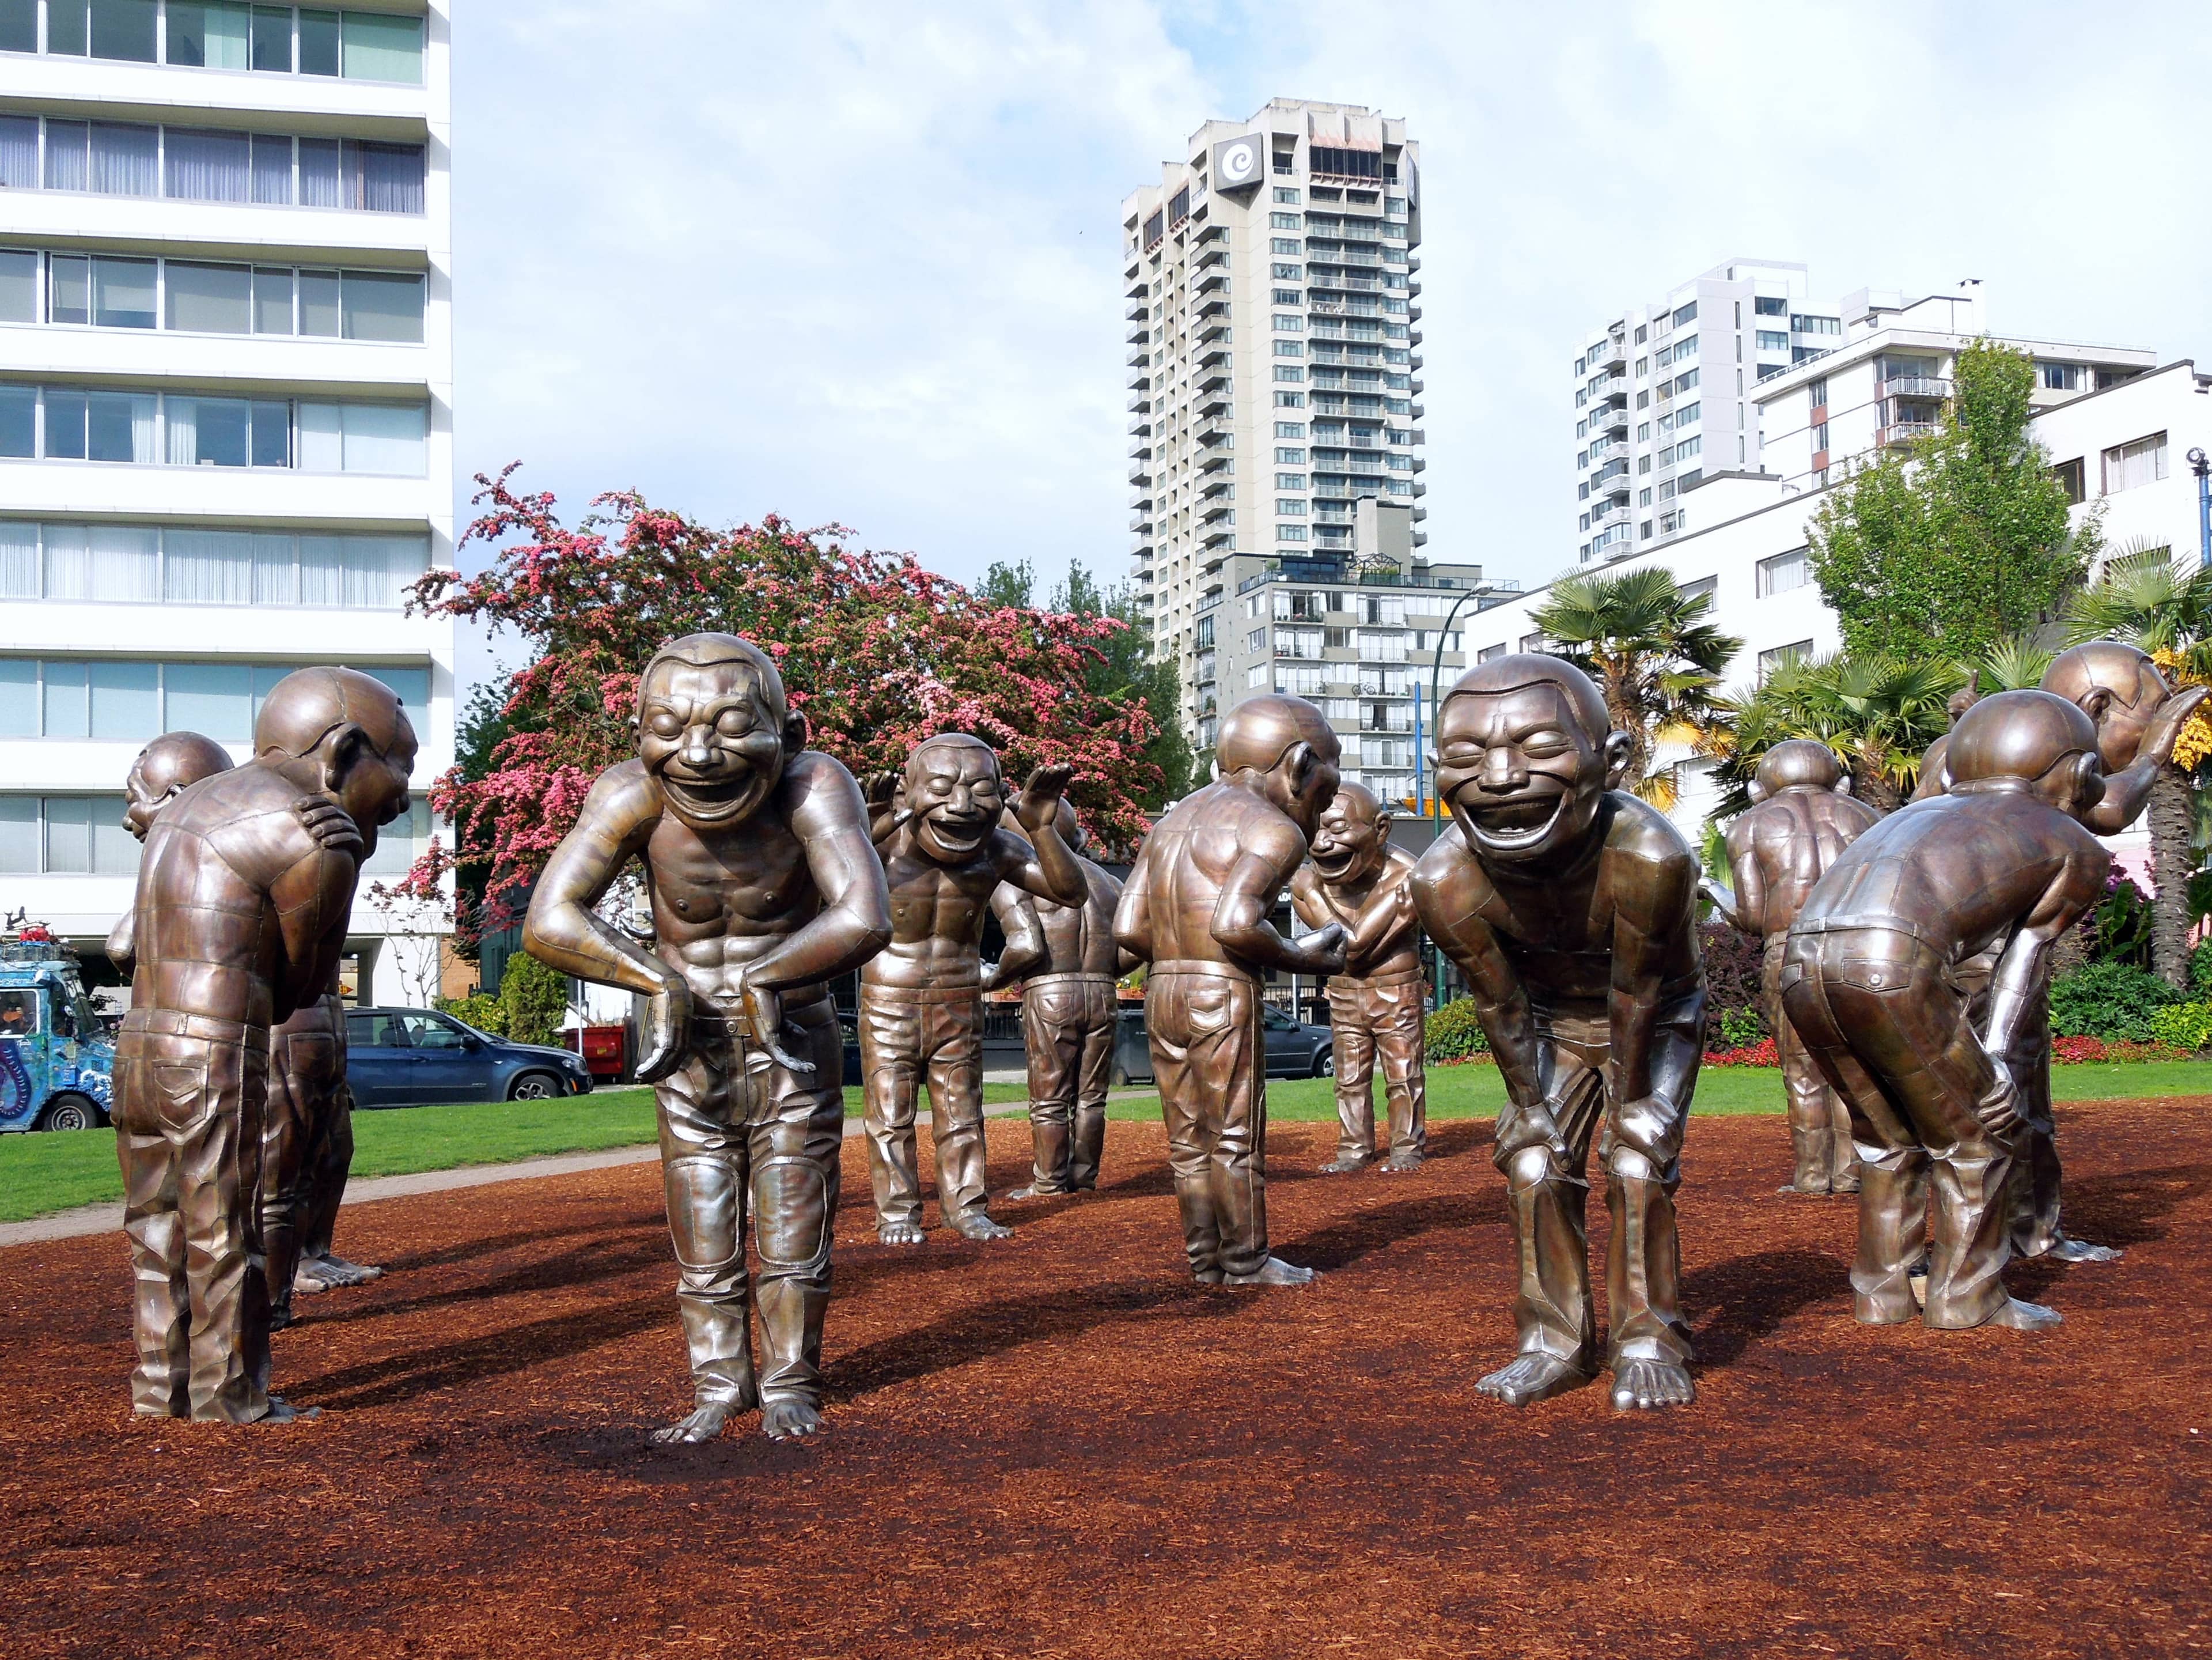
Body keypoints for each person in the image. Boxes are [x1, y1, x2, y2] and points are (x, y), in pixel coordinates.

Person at [524, 633, 892, 1444]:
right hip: (687, 1052)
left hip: (790, 1040)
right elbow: (548, 920)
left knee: (795, 1222)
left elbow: (865, 913)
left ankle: (793, 1378)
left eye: (732, 726)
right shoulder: (631, 797)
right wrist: (656, 981)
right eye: (670, 726)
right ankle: (721, 1384)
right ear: (640, 737)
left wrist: (765, 979)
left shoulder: (815, 787)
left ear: (788, 733)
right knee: (704, 1229)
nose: (698, 753)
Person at [1410, 656, 1705, 1412]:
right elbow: (1499, 1003)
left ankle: (1649, 1340)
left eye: (1539, 749)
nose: (1501, 778)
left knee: (1638, 1161)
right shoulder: (1444, 880)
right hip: (1547, 1021)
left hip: (1652, 1016)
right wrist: (1530, 1109)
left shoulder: (1650, 856)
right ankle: (1554, 1342)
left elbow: (1638, 990)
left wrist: (1635, 1105)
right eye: (1468, 757)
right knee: (1534, 1162)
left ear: (1609, 763)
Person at [115, 671, 411, 1422]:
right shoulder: (314, 831)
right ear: (343, 753)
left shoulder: (187, 806)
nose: (405, 794)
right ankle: (232, 1395)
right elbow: (297, 990)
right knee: (226, 1229)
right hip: (213, 1049)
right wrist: (353, 858)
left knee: (157, 1231)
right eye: (399, 765)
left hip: (138, 1046)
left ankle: (161, 1388)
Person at [1782, 690, 2113, 1334]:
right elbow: (2025, 957)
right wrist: (1992, 1059)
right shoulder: (2073, 842)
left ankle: (1882, 1293)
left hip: (1803, 963)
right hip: (1894, 964)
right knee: (1980, 1132)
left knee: (1885, 1139)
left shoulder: (1915, 814)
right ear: (2077, 772)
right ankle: (1968, 1295)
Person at [110, 733, 377, 1334]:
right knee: (229, 1212)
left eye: (135, 798)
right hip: (229, 1041)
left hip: (198, 1043)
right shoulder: (228, 847)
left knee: (182, 1222)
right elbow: (300, 971)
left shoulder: (202, 844)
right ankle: (235, 1373)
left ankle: (173, 1378)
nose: (130, 815)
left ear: (179, 793)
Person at [1113, 694, 1347, 1287]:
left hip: (1163, 989)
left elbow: (1128, 929)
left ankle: (1205, 1259)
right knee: (1235, 1133)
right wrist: (1304, 954)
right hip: (1219, 990)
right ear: (1298, 766)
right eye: (1326, 779)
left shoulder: (1171, 822)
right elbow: (1236, 922)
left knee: (1189, 1141)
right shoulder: (1271, 827)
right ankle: (1245, 1259)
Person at [858, 736, 1084, 1245]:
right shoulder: (885, 847)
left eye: (981, 790)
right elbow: (824, 883)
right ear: (909, 793)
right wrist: (868, 828)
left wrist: (1042, 827)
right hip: (889, 997)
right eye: (941, 789)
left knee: (961, 1109)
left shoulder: (996, 849)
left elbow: (1071, 892)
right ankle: (897, 1212)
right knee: (890, 1113)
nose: (961, 805)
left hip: (958, 997)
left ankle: (966, 1207)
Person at [1704, 740, 1881, 1197]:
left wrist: (1713, 891)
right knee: (1859, 1066)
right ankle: (1853, 1172)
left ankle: (1812, 1176)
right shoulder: (1866, 818)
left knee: (1804, 1071)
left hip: (1791, 950)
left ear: (1758, 789)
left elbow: (1751, 917)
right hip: (1860, 950)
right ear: (1839, 783)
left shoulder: (1751, 824)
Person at [988, 800, 1131, 1200]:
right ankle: (1084, 1177)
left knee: (1050, 1097)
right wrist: (1104, 972)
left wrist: (994, 977)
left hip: (1051, 991)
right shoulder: (1107, 881)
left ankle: (1049, 1182)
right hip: (1102, 990)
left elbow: (1027, 946)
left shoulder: (1017, 877)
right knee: (1091, 1097)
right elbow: (1136, 942)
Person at [1290, 784, 1427, 1174]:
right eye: (1315, 831)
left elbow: (1351, 946)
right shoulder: (1311, 879)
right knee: (1349, 1076)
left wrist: (1313, 898)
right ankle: (1354, 1149)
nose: (1322, 844)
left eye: (1336, 829)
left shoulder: (1409, 873)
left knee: (1403, 1072)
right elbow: (1350, 947)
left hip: (1395, 988)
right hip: (1345, 991)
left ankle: (1407, 1147)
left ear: (1380, 829)